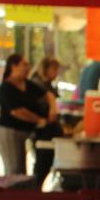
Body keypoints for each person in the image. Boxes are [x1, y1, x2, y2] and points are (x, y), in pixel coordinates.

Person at [0, 53, 45, 176]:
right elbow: (17, 111)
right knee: (14, 169)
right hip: (8, 131)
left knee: (21, 169)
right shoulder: (6, 87)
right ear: (13, 66)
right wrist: (38, 120)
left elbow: (47, 94)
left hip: (22, 131)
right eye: (24, 64)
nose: (28, 67)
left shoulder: (28, 84)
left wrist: (52, 109)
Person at [28, 56, 64, 189]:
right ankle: (34, 190)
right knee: (42, 162)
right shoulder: (37, 84)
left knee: (45, 162)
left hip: (49, 129)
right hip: (42, 130)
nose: (56, 73)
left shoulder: (48, 85)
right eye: (54, 69)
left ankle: (36, 188)